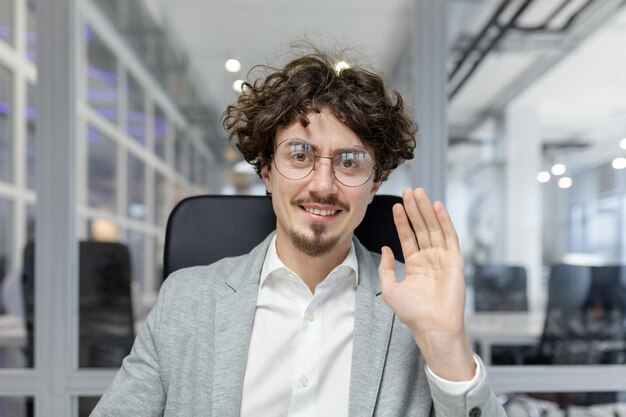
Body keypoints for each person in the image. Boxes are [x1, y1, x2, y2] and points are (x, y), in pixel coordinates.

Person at [91, 48, 506, 417]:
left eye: (349, 161)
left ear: (375, 184)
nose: (323, 184)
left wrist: (445, 345)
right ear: (268, 171)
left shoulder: (415, 308)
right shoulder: (187, 300)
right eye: (300, 154)